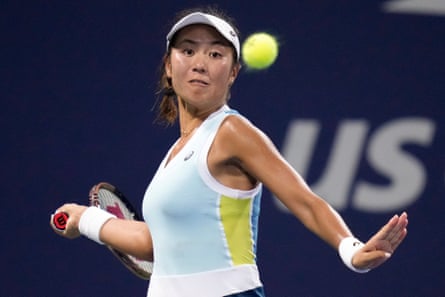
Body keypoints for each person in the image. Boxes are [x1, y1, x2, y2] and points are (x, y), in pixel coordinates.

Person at [50, 6, 408, 297]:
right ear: (168, 68)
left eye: (216, 54)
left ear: (234, 72)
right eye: (187, 50)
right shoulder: (175, 154)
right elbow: (155, 244)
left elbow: (304, 200)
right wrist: (86, 220)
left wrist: (351, 251)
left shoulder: (232, 131)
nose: (200, 63)